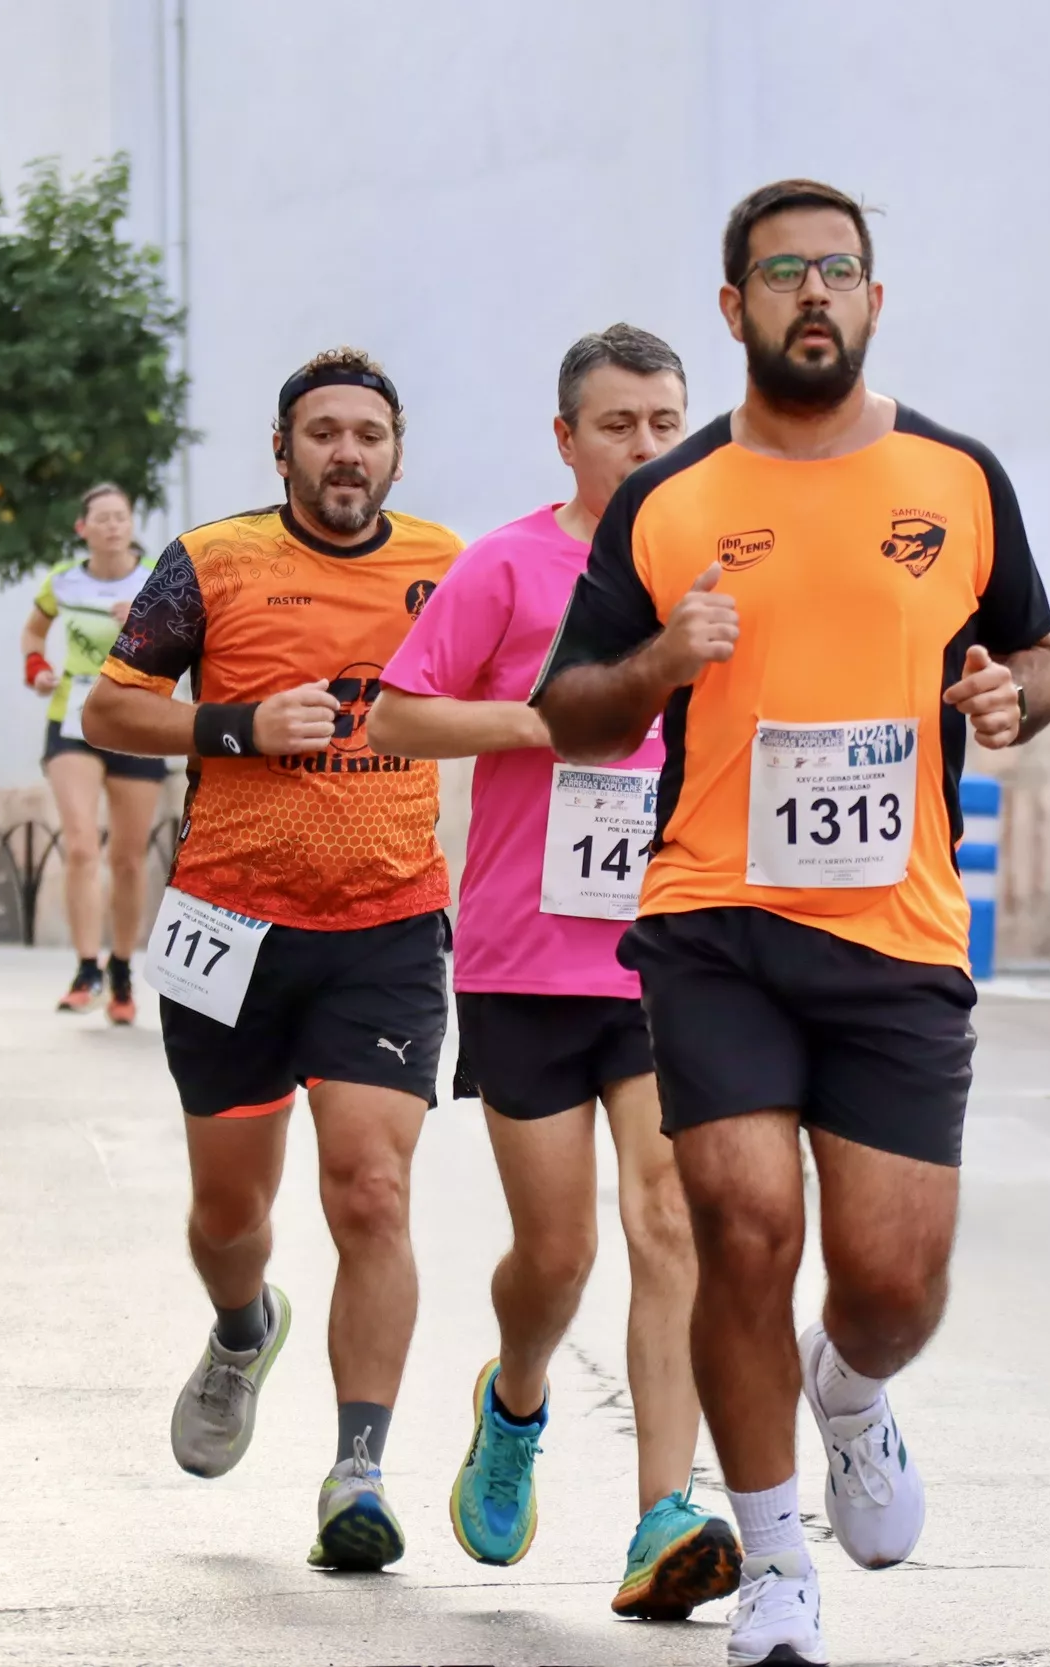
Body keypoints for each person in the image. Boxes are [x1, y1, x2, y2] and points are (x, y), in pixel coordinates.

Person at [533, 180, 1050, 1667]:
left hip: (899, 931)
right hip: (715, 919)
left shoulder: (955, 476)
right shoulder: (670, 497)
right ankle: (774, 1558)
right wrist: (656, 660)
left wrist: (1018, 693)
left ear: (876, 300)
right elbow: (568, 708)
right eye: (784, 273)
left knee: (895, 1278)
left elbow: (1039, 644)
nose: (814, 294)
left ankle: (850, 1386)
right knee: (743, 1227)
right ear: (735, 307)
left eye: (840, 270)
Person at [368, 324, 740, 1619]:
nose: (647, 444)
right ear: (566, 435)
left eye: (667, 421)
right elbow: (396, 713)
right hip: (527, 956)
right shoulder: (509, 566)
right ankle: (515, 1395)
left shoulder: (717, 571)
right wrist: (548, 713)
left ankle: (663, 1513)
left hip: (671, 947)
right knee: (559, 1247)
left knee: (668, 1214)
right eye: (620, 423)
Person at [82, 347, 464, 1572]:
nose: (346, 452)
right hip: (229, 927)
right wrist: (234, 724)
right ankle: (242, 1330)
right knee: (229, 1211)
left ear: (395, 449)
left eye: (367, 433)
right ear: (283, 447)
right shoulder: (213, 561)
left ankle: (360, 1468)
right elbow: (109, 707)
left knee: (371, 1188)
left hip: (388, 926)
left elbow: (525, 698)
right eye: (323, 432)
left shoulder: (444, 567)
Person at [19, 482, 171, 1024]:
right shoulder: (63, 581)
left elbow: (189, 639)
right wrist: (36, 669)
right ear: (83, 528)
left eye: (121, 516)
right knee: (81, 845)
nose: (112, 525)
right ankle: (86, 966)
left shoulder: (160, 573)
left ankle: (122, 970)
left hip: (135, 719)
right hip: (72, 720)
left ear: (131, 525)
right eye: (101, 518)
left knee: (127, 858)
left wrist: (145, 620)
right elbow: (34, 634)